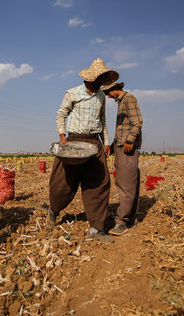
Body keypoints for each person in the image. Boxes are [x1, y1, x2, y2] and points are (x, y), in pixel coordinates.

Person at [47, 58, 118, 243]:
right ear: (89, 78)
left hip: (95, 143)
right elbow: (61, 115)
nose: (101, 82)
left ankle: (97, 228)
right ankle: (53, 210)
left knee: (100, 183)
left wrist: (107, 142)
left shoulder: (101, 97)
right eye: (98, 78)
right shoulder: (72, 93)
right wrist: (63, 136)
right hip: (74, 141)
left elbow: (103, 121)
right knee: (62, 183)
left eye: (102, 79)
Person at [102, 81, 143, 235]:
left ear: (114, 89)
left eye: (108, 92)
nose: (108, 96)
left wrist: (130, 140)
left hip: (127, 149)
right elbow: (122, 129)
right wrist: (112, 148)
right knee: (125, 182)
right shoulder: (121, 103)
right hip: (121, 147)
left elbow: (137, 121)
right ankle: (131, 218)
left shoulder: (129, 99)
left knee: (126, 185)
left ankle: (121, 222)